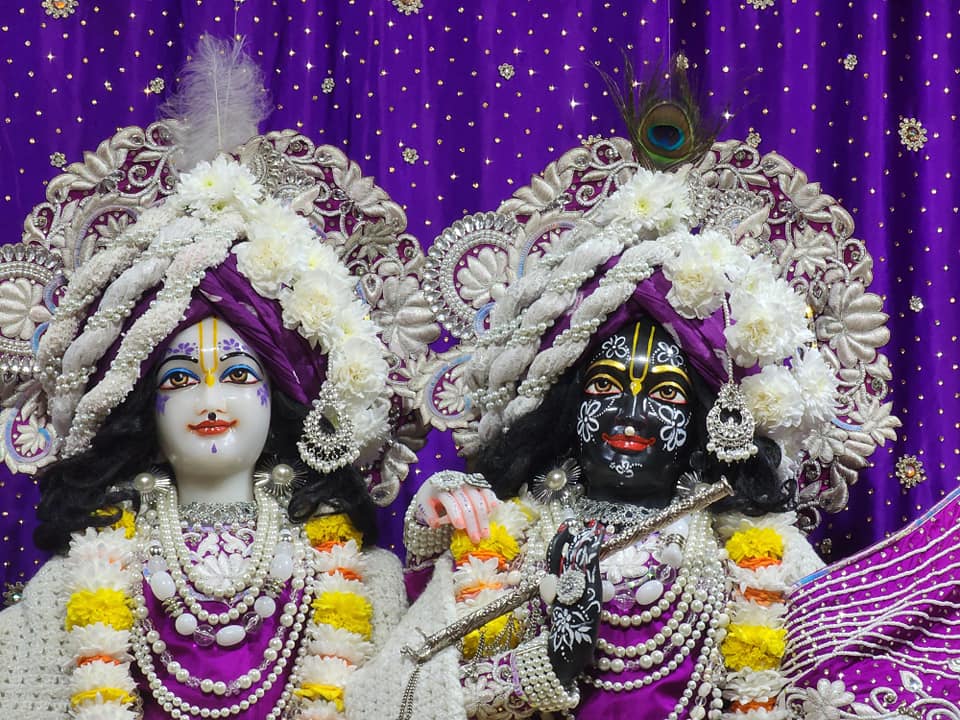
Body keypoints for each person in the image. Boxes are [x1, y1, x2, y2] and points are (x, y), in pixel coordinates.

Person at [346, 157, 833, 719]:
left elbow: (835, 679)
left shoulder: (752, 552)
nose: (631, 415)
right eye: (604, 386)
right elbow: (408, 691)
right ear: (567, 408)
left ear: (707, 424)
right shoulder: (513, 537)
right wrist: (553, 659)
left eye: (665, 394)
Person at [0, 70, 410, 719]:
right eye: (181, 378)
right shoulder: (81, 577)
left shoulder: (363, 579)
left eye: (240, 376)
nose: (210, 397)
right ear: (141, 408)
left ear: (284, 399)